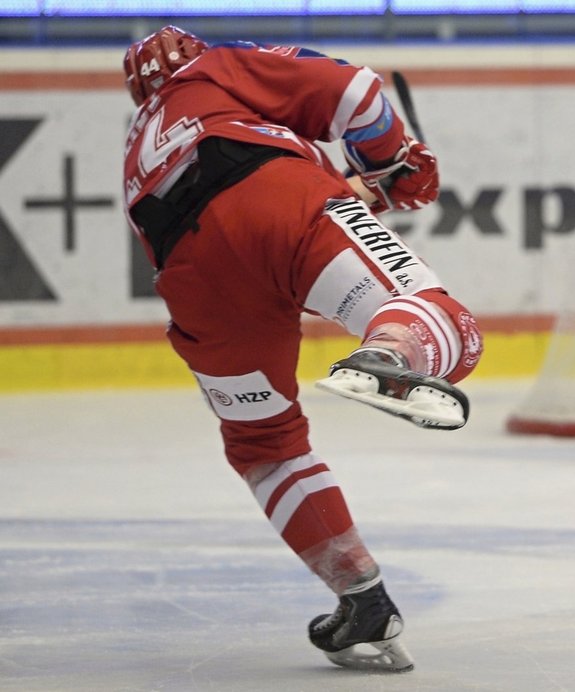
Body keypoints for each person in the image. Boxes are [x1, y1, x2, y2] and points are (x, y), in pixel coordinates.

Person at [121, 25, 483, 672]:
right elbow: (355, 92)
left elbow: (221, 210)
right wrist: (393, 156)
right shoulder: (215, 69)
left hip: (192, 275)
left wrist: (362, 189)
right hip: (276, 200)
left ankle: (361, 599)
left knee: (263, 444)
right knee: (443, 320)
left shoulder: (137, 150)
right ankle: (390, 356)